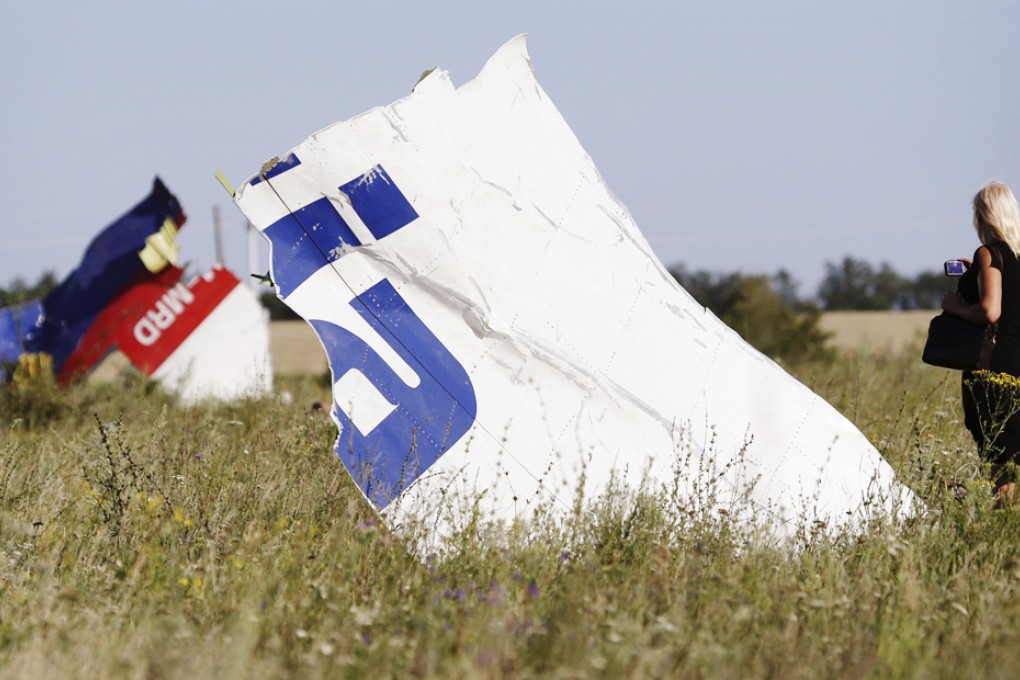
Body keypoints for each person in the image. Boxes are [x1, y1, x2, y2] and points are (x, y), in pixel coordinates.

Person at [942, 181, 1020, 500]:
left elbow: (990, 310)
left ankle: (999, 521)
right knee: (1011, 453)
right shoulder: (1014, 256)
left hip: (993, 369)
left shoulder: (989, 253)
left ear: (982, 216)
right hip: (1017, 364)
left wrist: (955, 305)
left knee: (998, 454)